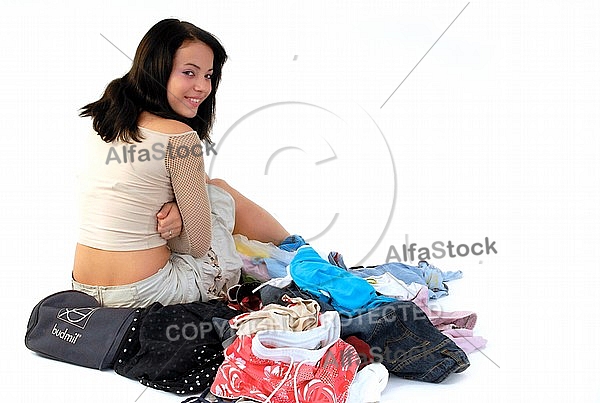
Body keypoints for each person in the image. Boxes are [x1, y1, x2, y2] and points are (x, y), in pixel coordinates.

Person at [72, 18, 292, 308]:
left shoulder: (103, 120)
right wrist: (180, 225)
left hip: (83, 288)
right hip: (148, 292)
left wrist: (182, 210)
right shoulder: (179, 137)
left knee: (209, 191)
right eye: (189, 73)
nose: (202, 87)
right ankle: (296, 251)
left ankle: (292, 249)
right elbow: (196, 246)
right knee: (220, 195)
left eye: (209, 76)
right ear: (157, 71)